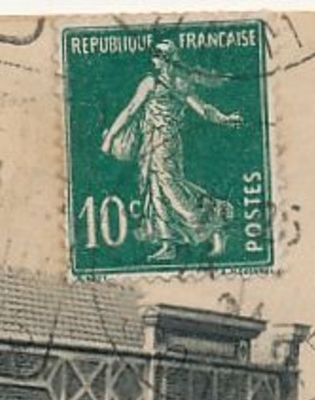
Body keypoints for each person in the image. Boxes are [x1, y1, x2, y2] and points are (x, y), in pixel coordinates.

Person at [100, 40, 243, 263]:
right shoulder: (150, 82)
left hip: (167, 144)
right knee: (153, 188)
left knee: (169, 186)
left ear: (168, 59)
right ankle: (168, 244)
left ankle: (216, 214)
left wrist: (224, 119)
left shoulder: (178, 83)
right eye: (155, 55)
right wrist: (110, 138)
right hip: (150, 143)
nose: (156, 60)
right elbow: (130, 111)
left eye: (160, 56)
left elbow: (203, 109)